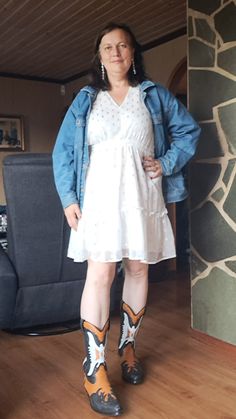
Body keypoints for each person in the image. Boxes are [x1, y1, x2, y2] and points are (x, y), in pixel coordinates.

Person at [52, 22, 200, 416]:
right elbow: (62, 152)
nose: (115, 52)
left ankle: (128, 347)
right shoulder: (85, 100)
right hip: (99, 200)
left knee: (137, 270)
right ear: (99, 57)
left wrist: (167, 163)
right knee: (99, 275)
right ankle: (95, 367)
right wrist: (68, 199)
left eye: (123, 46)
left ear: (133, 54)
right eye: (107, 47)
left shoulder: (153, 95)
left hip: (142, 198)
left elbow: (188, 131)